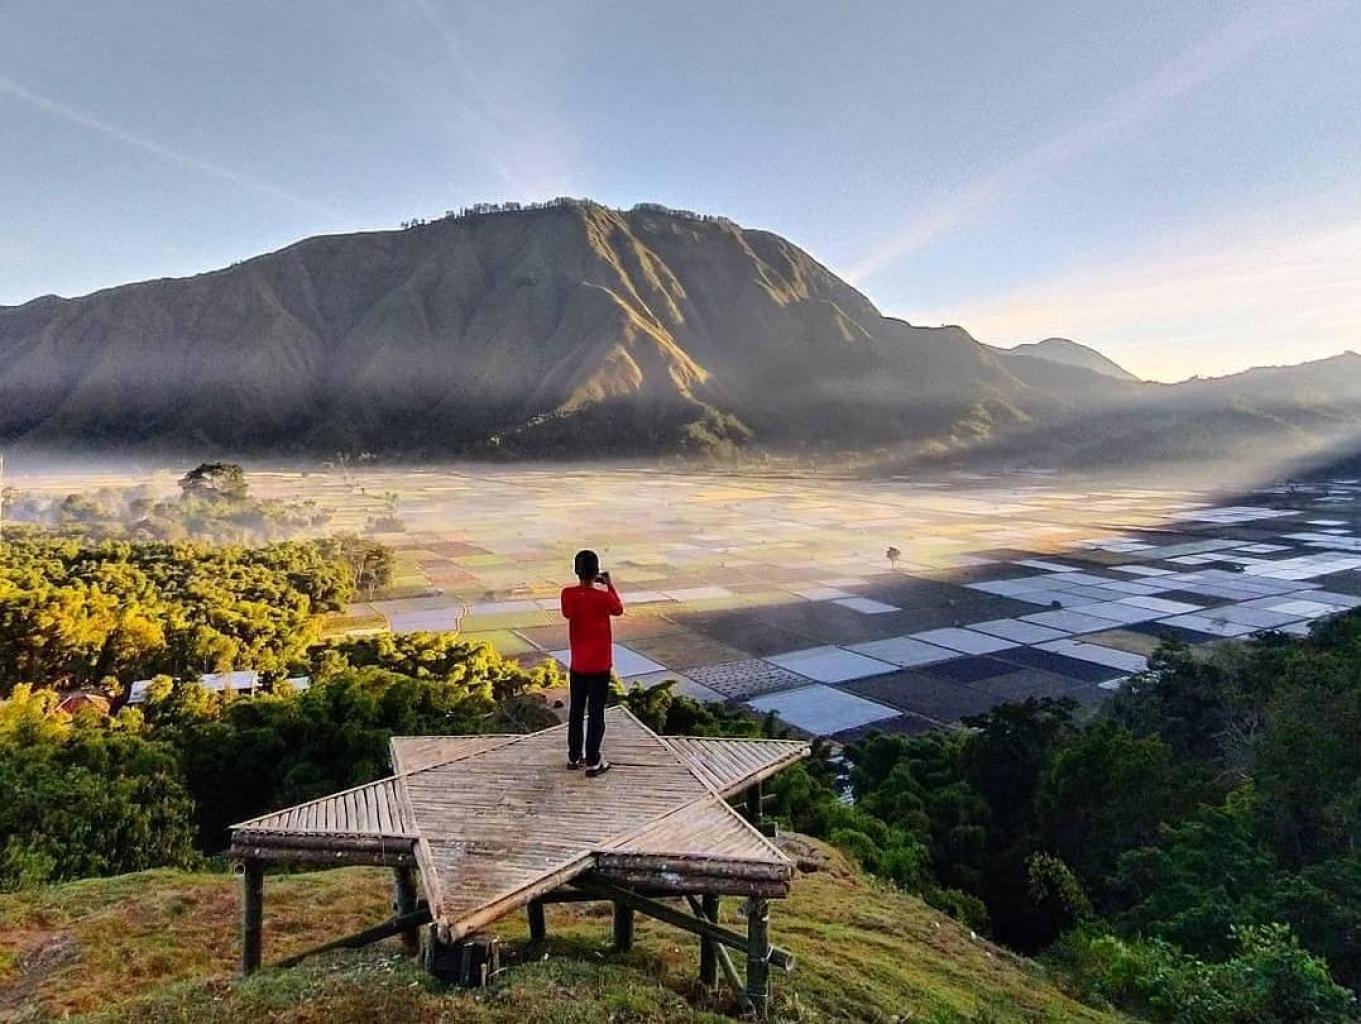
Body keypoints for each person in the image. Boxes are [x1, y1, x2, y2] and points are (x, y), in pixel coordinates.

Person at [560, 549, 624, 776]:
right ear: (596, 572)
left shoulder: (567, 594)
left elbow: (568, 613)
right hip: (599, 666)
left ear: (576, 571)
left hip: (578, 665)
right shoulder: (603, 597)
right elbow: (618, 609)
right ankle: (594, 761)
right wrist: (609, 586)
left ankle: (574, 756)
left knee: (576, 711)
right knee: (596, 713)